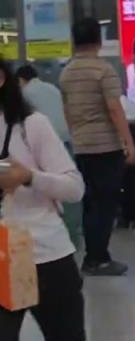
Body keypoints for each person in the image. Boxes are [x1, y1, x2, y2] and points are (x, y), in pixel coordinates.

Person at [0, 58, 109, 341]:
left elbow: (74, 187)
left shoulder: (32, 126)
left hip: (47, 257)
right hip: (4, 264)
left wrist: (29, 176)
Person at [60, 16, 135, 277]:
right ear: (98, 40)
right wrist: (128, 142)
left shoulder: (67, 72)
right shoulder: (104, 70)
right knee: (106, 204)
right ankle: (98, 258)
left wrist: (78, 136)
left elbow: (68, 111)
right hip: (105, 146)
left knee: (91, 203)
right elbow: (114, 109)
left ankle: (92, 256)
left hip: (82, 147)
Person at [17, 62, 81, 250]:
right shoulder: (53, 89)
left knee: (43, 191)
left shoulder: (25, 94)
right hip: (65, 141)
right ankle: (73, 236)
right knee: (67, 188)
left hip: (42, 143)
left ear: (20, 80)